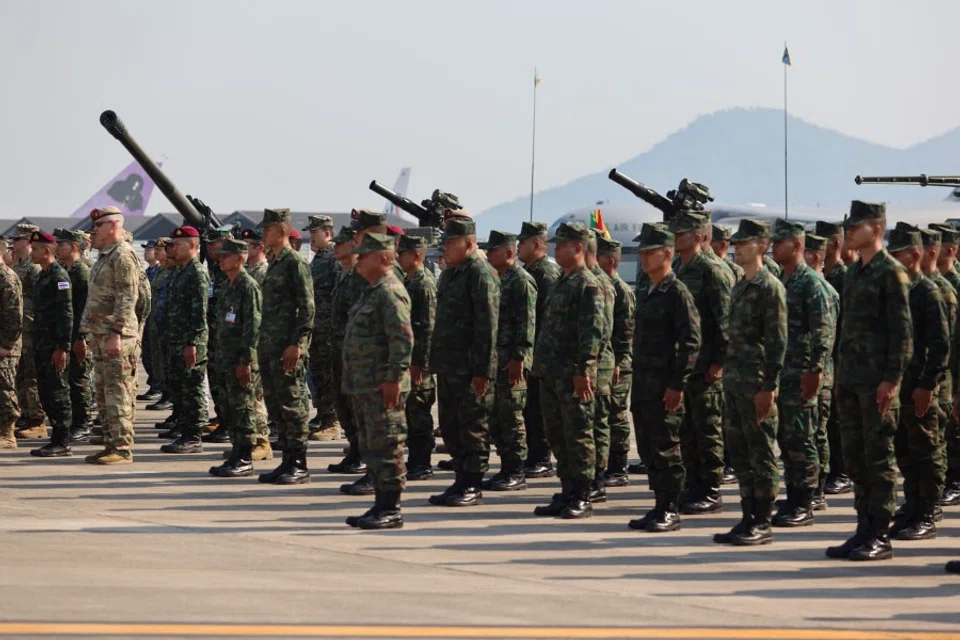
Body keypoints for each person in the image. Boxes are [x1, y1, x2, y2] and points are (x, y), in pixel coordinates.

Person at [828, 201, 912, 562]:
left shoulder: (890, 273)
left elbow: (902, 334)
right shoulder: (854, 273)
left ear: (876, 229)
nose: (849, 231)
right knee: (855, 459)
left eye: (857, 226)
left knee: (878, 458)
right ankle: (863, 528)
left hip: (876, 383)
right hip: (850, 380)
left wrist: (891, 380)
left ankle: (880, 533)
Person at [714, 219, 786, 546]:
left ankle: (763, 520)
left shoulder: (770, 288)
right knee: (740, 452)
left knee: (761, 452)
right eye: (736, 243)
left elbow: (777, 342)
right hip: (734, 382)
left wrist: (769, 387)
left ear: (761, 245)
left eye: (743, 243)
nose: (736, 248)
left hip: (757, 383)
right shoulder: (740, 285)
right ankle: (747, 516)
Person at [627, 224, 700, 532]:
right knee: (647, 446)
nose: (644, 258)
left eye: (649, 252)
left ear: (667, 254)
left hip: (664, 385)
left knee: (667, 447)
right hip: (643, 383)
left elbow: (691, 342)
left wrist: (677, 385)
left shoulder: (677, 293)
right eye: (642, 252)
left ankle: (671, 507)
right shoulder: (646, 290)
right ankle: (659, 504)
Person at [531, 222, 603, 519]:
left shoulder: (588, 284)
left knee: (578, 434)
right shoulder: (563, 281)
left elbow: (592, 332)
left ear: (577, 248)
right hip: (552, 372)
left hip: (573, 374)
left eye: (560, 245)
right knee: (558, 434)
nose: (555, 250)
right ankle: (568, 488)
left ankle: (583, 494)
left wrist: (583, 369)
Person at [342, 232, 414, 529]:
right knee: (372, 445)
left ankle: (391, 508)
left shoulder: (389, 291)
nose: (357, 260)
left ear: (384, 257)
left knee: (387, 444)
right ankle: (379, 504)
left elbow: (402, 339)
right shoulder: (371, 290)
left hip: (383, 385)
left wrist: (394, 379)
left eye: (364, 254)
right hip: (365, 384)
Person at [427, 218, 499, 508]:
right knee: (451, 426)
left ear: (469, 243)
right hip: (448, 366)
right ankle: (460, 479)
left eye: (450, 242)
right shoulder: (450, 274)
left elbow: (488, 326)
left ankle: (473, 484)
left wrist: (483, 370)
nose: (445, 248)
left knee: (473, 427)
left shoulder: (481, 274)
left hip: (470, 369)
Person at [769, 219, 834, 527]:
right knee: (788, 439)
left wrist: (816, 370)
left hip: (803, 374)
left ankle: (805, 501)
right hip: (785, 374)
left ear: (796, 246)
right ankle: (793, 496)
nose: (772, 247)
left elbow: (823, 332)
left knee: (803, 438)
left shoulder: (812, 284)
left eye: (778, 243)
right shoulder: (784, 279)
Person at [886, 225, 948, 541]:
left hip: (921, 389)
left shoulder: (928, 293)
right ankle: (912, 506)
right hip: (900, 389)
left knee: (926, 452)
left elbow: (940, 346)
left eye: (897, 255)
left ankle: (926, 513)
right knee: (905, 452)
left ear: (914, 256)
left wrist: (927, 385)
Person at [669, 211, 731, 516]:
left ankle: (710, 489)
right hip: (687, 365)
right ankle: (693, 485)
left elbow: (725, 323)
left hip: (707, 366)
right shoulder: (681, 267)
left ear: (697, 236)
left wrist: (718, 363)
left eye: (681, 233)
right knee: (688, 429)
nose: (675, 237)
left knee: (707, 428)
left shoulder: (712, 271)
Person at [256, 208, 315, 486]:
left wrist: (298, 344)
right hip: (270, 346)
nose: (263, 234)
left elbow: (307, 309)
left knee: (293, 405)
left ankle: (299, 463)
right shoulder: (276, 262)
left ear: (281, 231)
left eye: (267, 229)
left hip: (287, 348)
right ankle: (287, 460)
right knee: (276, 405)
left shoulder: (295, 263)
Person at [79, 206, 141, 464]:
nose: (95, 231)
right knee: (104, 393)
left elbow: (129, 298)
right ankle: (110, 443)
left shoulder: (123, 256)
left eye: (98, 226)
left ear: (113, 225)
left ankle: (122, 448)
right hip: (101, 335)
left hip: (117, 337)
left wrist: (117, 332)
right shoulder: (106, 256)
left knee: (118, 392)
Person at [480, 230, 535, 492]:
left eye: (494, 250)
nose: (489, 254)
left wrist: (519, 358)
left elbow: (527, 323)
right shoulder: (495, 278)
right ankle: (505, 467)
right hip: (495, 360)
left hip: (512, 361)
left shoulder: (521, 281)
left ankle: (516, 470)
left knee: (512, 417)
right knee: (498, 418)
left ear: (509, 253)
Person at [208, 238, 264, 477]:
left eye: (225, 256)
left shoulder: (247, 286)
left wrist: (246, 361)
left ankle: (244, 457)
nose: (220, 260)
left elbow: (253, 327)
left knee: (243, 408)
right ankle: (236, 452)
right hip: (225, 358)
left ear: (239, 259)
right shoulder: (229, 285)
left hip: (240, 360)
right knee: (230, 408)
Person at [915, 226, 956, 518]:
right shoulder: (915, 286)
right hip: (920, 377)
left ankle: (934, 500)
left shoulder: (944, 289)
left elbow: (949, 343)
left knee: (937, 441)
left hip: (941, 380)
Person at [159, 226, 210, 454]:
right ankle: (184, 430)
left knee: (192, 388)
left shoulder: (197, 273)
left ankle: (193, 436)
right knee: (179, 387)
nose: (174, 248)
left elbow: (199, 312)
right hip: (176, 340)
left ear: (192, 246)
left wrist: (193, 343)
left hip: (190, 342)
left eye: (178, 244)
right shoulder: (180, 271)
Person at [517, 221, 562, 478]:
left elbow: (544, 318)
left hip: (541, 354)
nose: (518, 247)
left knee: (537, 409)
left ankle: (541, 457)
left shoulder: (545, 274)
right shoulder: (532, 271)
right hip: (534, 352)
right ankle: (534, 455)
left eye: (522, 242)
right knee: (530, 408)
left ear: (536, 244)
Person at [801, 233, 840, 511]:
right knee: (801, 434)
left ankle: (817, 489)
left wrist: (817, 372)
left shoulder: (820, 290)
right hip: (800, 373)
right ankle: (803, 489)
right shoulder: (797, 286)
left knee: (816, 433)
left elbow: (824, 338)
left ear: (814, 256)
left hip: (818, 375)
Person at [26, 232, 73, 458]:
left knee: (58, 391)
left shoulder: (59, 276)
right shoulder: (42, 276)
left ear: (46, 251)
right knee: (46, 390)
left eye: (35, 249)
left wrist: (62, 347)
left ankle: (62, 440)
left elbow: (66, 314)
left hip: (54, 344)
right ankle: (55, 437)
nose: (31, 252)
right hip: (42, 343)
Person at [328, 226, 368, 479]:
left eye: (340, 243)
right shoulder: (342, 275)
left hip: (353, 352)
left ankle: (363, 454)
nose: (336, 247)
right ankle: (354, 450)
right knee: (342, 404)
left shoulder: (358, 277)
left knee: (357, 406)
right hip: (338, 350)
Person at [396, 234, 438, 481]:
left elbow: (428, 328)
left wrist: (419, 364)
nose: (399, 257)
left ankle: (422, 463)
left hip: (418, 364)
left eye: (403, 253)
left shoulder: (424, 285)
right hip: (408, 360)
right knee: (410, 414)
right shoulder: (408, 281)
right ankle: (414, 461)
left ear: (416, 255)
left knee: (420, 413)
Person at [816, 220, 853, 496]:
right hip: (824, 361)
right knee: (824, 421)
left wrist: (841, 365)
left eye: (823, 240)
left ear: (836, 244)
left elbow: (846, 326)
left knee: (837, 421)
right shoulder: (823, 277)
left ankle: (841, 472)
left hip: (839, 360)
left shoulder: (844, 278)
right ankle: (828, 471)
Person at [597, 237, 636, 487]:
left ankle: (619, 467)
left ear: (610, 260)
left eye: (599, 256)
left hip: (620, 364)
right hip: (607, 362)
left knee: (617, 416)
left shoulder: (622, 291)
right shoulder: (600, 286)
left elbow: (626, 331)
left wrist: (620, 361)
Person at [584, 231, 616, 503]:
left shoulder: (599, 283)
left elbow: (601, 332)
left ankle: (597, 478)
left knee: (596, 424)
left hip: (597, 366)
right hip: (587, 364)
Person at [303, 215, 341, 441]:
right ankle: (323, 415)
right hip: (317, 328)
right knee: (318, 374)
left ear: (327, 233)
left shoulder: (334, 258)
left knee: (328, 375)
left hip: (328, 330)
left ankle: (332, 421)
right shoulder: (318, 260)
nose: (311, 238)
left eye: (315, 233)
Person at [54, 230, 93, 443]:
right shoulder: (66, 270)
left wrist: (81, 338)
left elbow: (84, 309)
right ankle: (73, 421)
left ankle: (83, 423)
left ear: (75, 247)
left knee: (79, 380)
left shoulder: (81, 272)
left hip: (79, 336)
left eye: (62, 244)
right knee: (68, 380)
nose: (57, 248)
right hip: (68, 334)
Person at [931, 222, 960, 507]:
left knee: (952, 430)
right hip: (938, 369)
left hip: (952, 370)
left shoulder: (955, 284)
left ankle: (955, 480)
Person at [11, 224, 46, 438]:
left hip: (31, 329)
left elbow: (41, 300)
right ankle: (26, 414)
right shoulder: (20, 266)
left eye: (17, 240)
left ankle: (37, 420)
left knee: (32, 376)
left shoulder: (34, 268)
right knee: (21, 375)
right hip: (19, 329)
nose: (13, 244)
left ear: (28, 241)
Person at [0, 253, 22, 449]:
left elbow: (14, 315)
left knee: (5, 388)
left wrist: (6, 345)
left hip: (5, 346)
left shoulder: (6, 277)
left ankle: (8, 433)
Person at [138, 240, 162, 400]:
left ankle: (158, 386)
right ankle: (154, 385)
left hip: (156, 320)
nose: (146, 252)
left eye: (149, 249)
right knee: (147, 355)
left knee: (155, 356)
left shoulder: (160, 271)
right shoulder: (149, 271)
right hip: (148, 320)